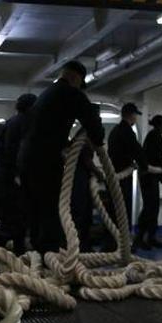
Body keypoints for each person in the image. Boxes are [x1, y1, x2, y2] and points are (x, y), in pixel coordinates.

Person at [19, 60, 104, 253]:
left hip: (27, 162)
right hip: (45, 165)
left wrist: (67, 144)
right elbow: (96, 131)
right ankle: (50, 263)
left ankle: (37, 262)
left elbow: (43, 131)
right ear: (76, 78)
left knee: (36, 215)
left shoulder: (46, 95)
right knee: (51, 215)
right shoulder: (72, 94)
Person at [0, 93, 36, 251]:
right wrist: (19, 175)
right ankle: (4, 255)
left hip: (2, 177)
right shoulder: (24, 123)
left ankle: (8, 254)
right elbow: (17, 151)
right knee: (15, 219)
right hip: (10, 179)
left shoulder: (11, 122)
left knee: (10, 220)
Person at [136, 115, 162, 250]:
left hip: (150, 176)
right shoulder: (155, 136)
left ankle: (150, 238)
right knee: (150, 208)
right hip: (147, 176)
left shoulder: (154, 135)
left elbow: (154, 161)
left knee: (153, 208)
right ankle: (139, 239)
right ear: (160, 124)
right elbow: (155, 158)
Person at [106, 102, 145, 231]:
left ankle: (112, 240)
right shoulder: (127, 131)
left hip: (113, 174)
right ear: (131, 115)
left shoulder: (115, 131)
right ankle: (123, 242)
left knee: (113, 208)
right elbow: (137, 151)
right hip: (122, 176)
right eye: (135, 115)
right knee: (123, 209)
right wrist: (145, 166)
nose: (136, 118)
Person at [70, 104, 103, 251]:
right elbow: (86, 159)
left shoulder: (85, 134)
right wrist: (98, 173)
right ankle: (80, 245)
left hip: (81, 177)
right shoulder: (83, 136)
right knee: (80, 213)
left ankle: (84, 243)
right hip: (79, 178)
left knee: (85, 213)